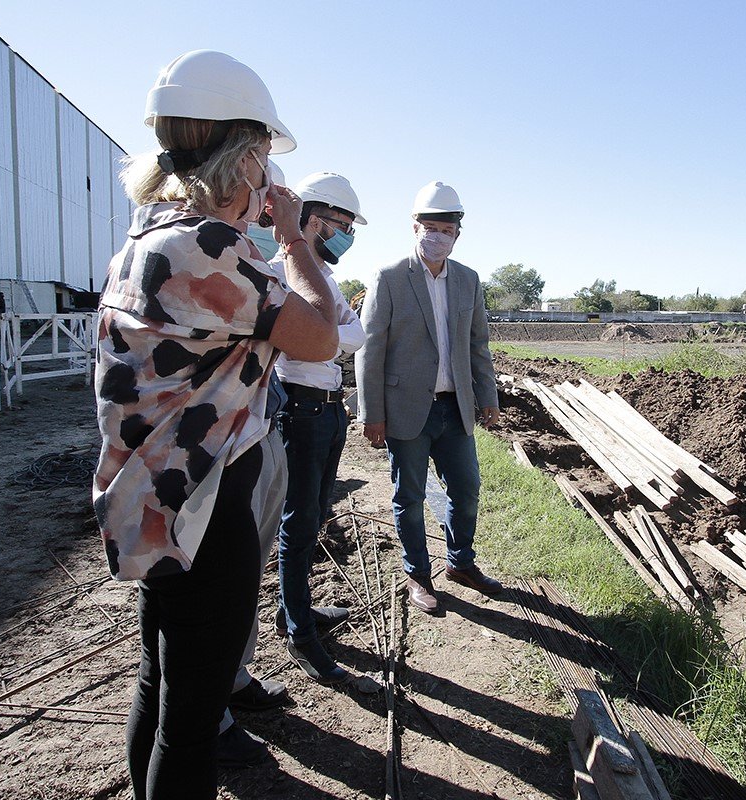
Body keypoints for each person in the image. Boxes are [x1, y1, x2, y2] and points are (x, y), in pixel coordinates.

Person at [93, 50, 337, 799]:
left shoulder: (146, 238)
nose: (267, 173)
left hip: (155, 499)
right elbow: (321, 336)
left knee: (159, 682)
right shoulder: (207, 246)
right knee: (191, 722)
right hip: (204, 505)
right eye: (261, 154)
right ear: (242, 155)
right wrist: (293, 239)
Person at [355, 181, 501, 613]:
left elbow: (477, 344)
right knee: (410, 497)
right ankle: (418, 574)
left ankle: (460, 562)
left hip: (454, 408)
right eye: (430, 228)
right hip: (405, 409)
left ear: (458, 235)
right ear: (415, 227)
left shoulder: (468, 280)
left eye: (446, 230)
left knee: (467, 489)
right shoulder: (389, 278)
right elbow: (370, 348)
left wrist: (487, 395)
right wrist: (371, 412)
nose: (437, 237)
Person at [265, 172, 370, 684]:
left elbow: (356, 333)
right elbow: (315, 340)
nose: (345, 236)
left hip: (329, 410)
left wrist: (327, 333)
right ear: (308, 219)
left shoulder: (323, 278)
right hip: (299, 410)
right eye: (339, 225)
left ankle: (296, 611)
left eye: (350, 227)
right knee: (298, 521)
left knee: (315, 515)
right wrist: (329, 333)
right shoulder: (275, 274)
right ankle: (299, 633)